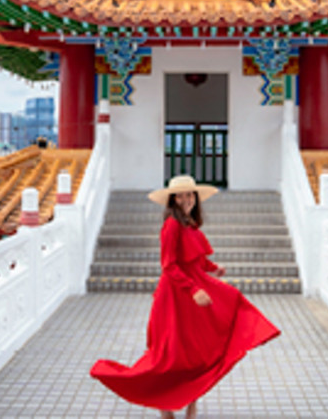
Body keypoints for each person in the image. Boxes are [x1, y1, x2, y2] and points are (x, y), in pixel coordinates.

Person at [91, 175, 280, 418]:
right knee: (169, 357)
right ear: (172, 199)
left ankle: (191, 407)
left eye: (190, 194)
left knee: (195, 354)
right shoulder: (171, 224)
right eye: (180, 195)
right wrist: (194, 290)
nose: (186, 199)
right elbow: (169, 265)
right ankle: (165, 409)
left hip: (192, 295)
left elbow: (195, 259)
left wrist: (213, 268)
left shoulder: (190, 223)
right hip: (176, 297)